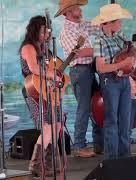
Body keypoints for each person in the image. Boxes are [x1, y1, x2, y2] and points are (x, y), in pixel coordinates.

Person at [56, 0, 103, 157]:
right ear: (68, 13)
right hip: (80, 70)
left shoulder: (81, 24)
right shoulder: (66, 32)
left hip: (89, 69)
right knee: (84, 108)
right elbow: (81, 53)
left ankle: (99, 144)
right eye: (77, 8)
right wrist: (105, 46)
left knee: (97, 106)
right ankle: (79, 147)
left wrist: (107, 27)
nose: (80, 10)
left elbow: (100, 29)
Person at [92, 3, 135, 159]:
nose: (121, 24)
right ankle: (112, 159)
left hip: (123, 80)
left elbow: (130, 51)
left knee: (125, 120)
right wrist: (122, 64)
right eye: (118, 21)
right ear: (109, 22)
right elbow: (100, 68)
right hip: (109, 81)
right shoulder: (99, 41)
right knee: (112, 121)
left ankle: (125, 157)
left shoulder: (120, 36)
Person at [19, 15, 60, 177]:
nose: (47, 34)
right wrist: (51, 75)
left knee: (56, 126)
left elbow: (51, 68)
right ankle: (36, 165)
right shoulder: (28, 47)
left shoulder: (45, 48)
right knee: (47, 127)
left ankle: (48, 164)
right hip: (34, 90)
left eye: (48, 31)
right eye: (44, 30)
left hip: (47, 91)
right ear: (36, 30)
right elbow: (35, 68)